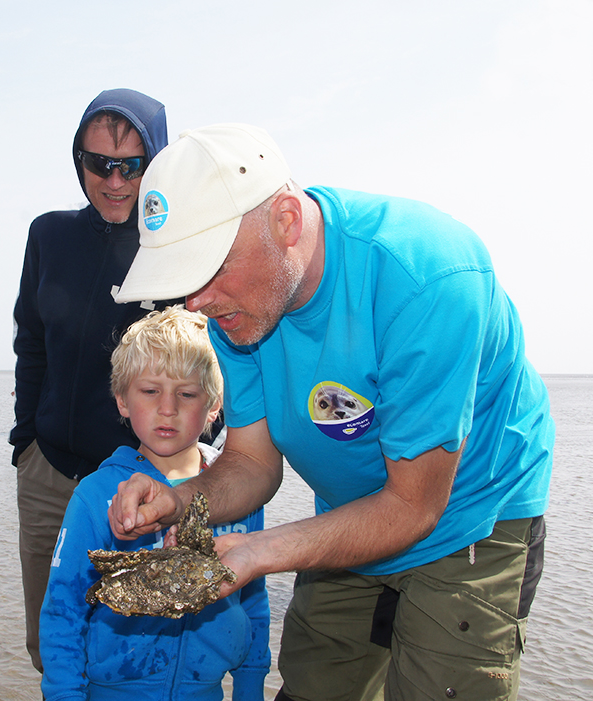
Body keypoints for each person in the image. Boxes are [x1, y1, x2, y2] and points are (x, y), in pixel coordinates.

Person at [109, 123, 553, 700]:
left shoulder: (427, 278)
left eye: (211, 269)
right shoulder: (237, 313)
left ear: (286, 221)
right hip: (352, 511)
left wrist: (259, 551)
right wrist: (180, 500)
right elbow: (251, 462)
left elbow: (413, 506)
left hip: (470, 517)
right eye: (185, 280)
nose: (196, 302)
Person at [11, 88, 180, 672]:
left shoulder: (178, 250)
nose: (113, 180)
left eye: (130, 165)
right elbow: (30, 341)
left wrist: (188, 466)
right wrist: (24, 439)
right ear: (77, 160)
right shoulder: (48, 235)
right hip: (48, 469)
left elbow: (214, 365)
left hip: (139, 484)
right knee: (50, 644)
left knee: (133, 652)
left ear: (155, 163)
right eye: (97, 163)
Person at [40, 305, 270, 700]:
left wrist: (250, 686)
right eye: (150, 391)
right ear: (122, 401)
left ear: (215, 405)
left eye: (187, 393)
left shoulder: (240, 490)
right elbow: (64, 610)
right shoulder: (98, 495)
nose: (168, 408)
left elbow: (253, 596)